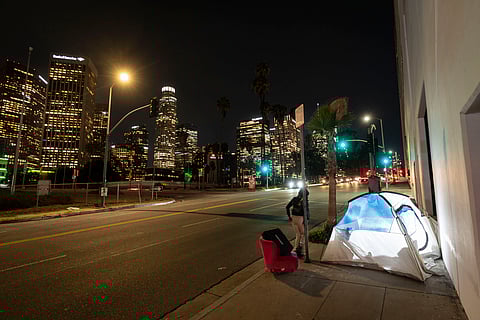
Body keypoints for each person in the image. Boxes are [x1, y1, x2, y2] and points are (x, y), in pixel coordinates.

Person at [286, 187, 310, 257]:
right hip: (300, 218)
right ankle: (300, 247)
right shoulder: (304, 201)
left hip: (293, 218)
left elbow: (287, 207)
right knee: (304, 234)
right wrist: (307, 220)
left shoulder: (294, 199)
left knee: (298, 234)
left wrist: (289, 216)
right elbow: (306, 212)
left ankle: (296, 248)